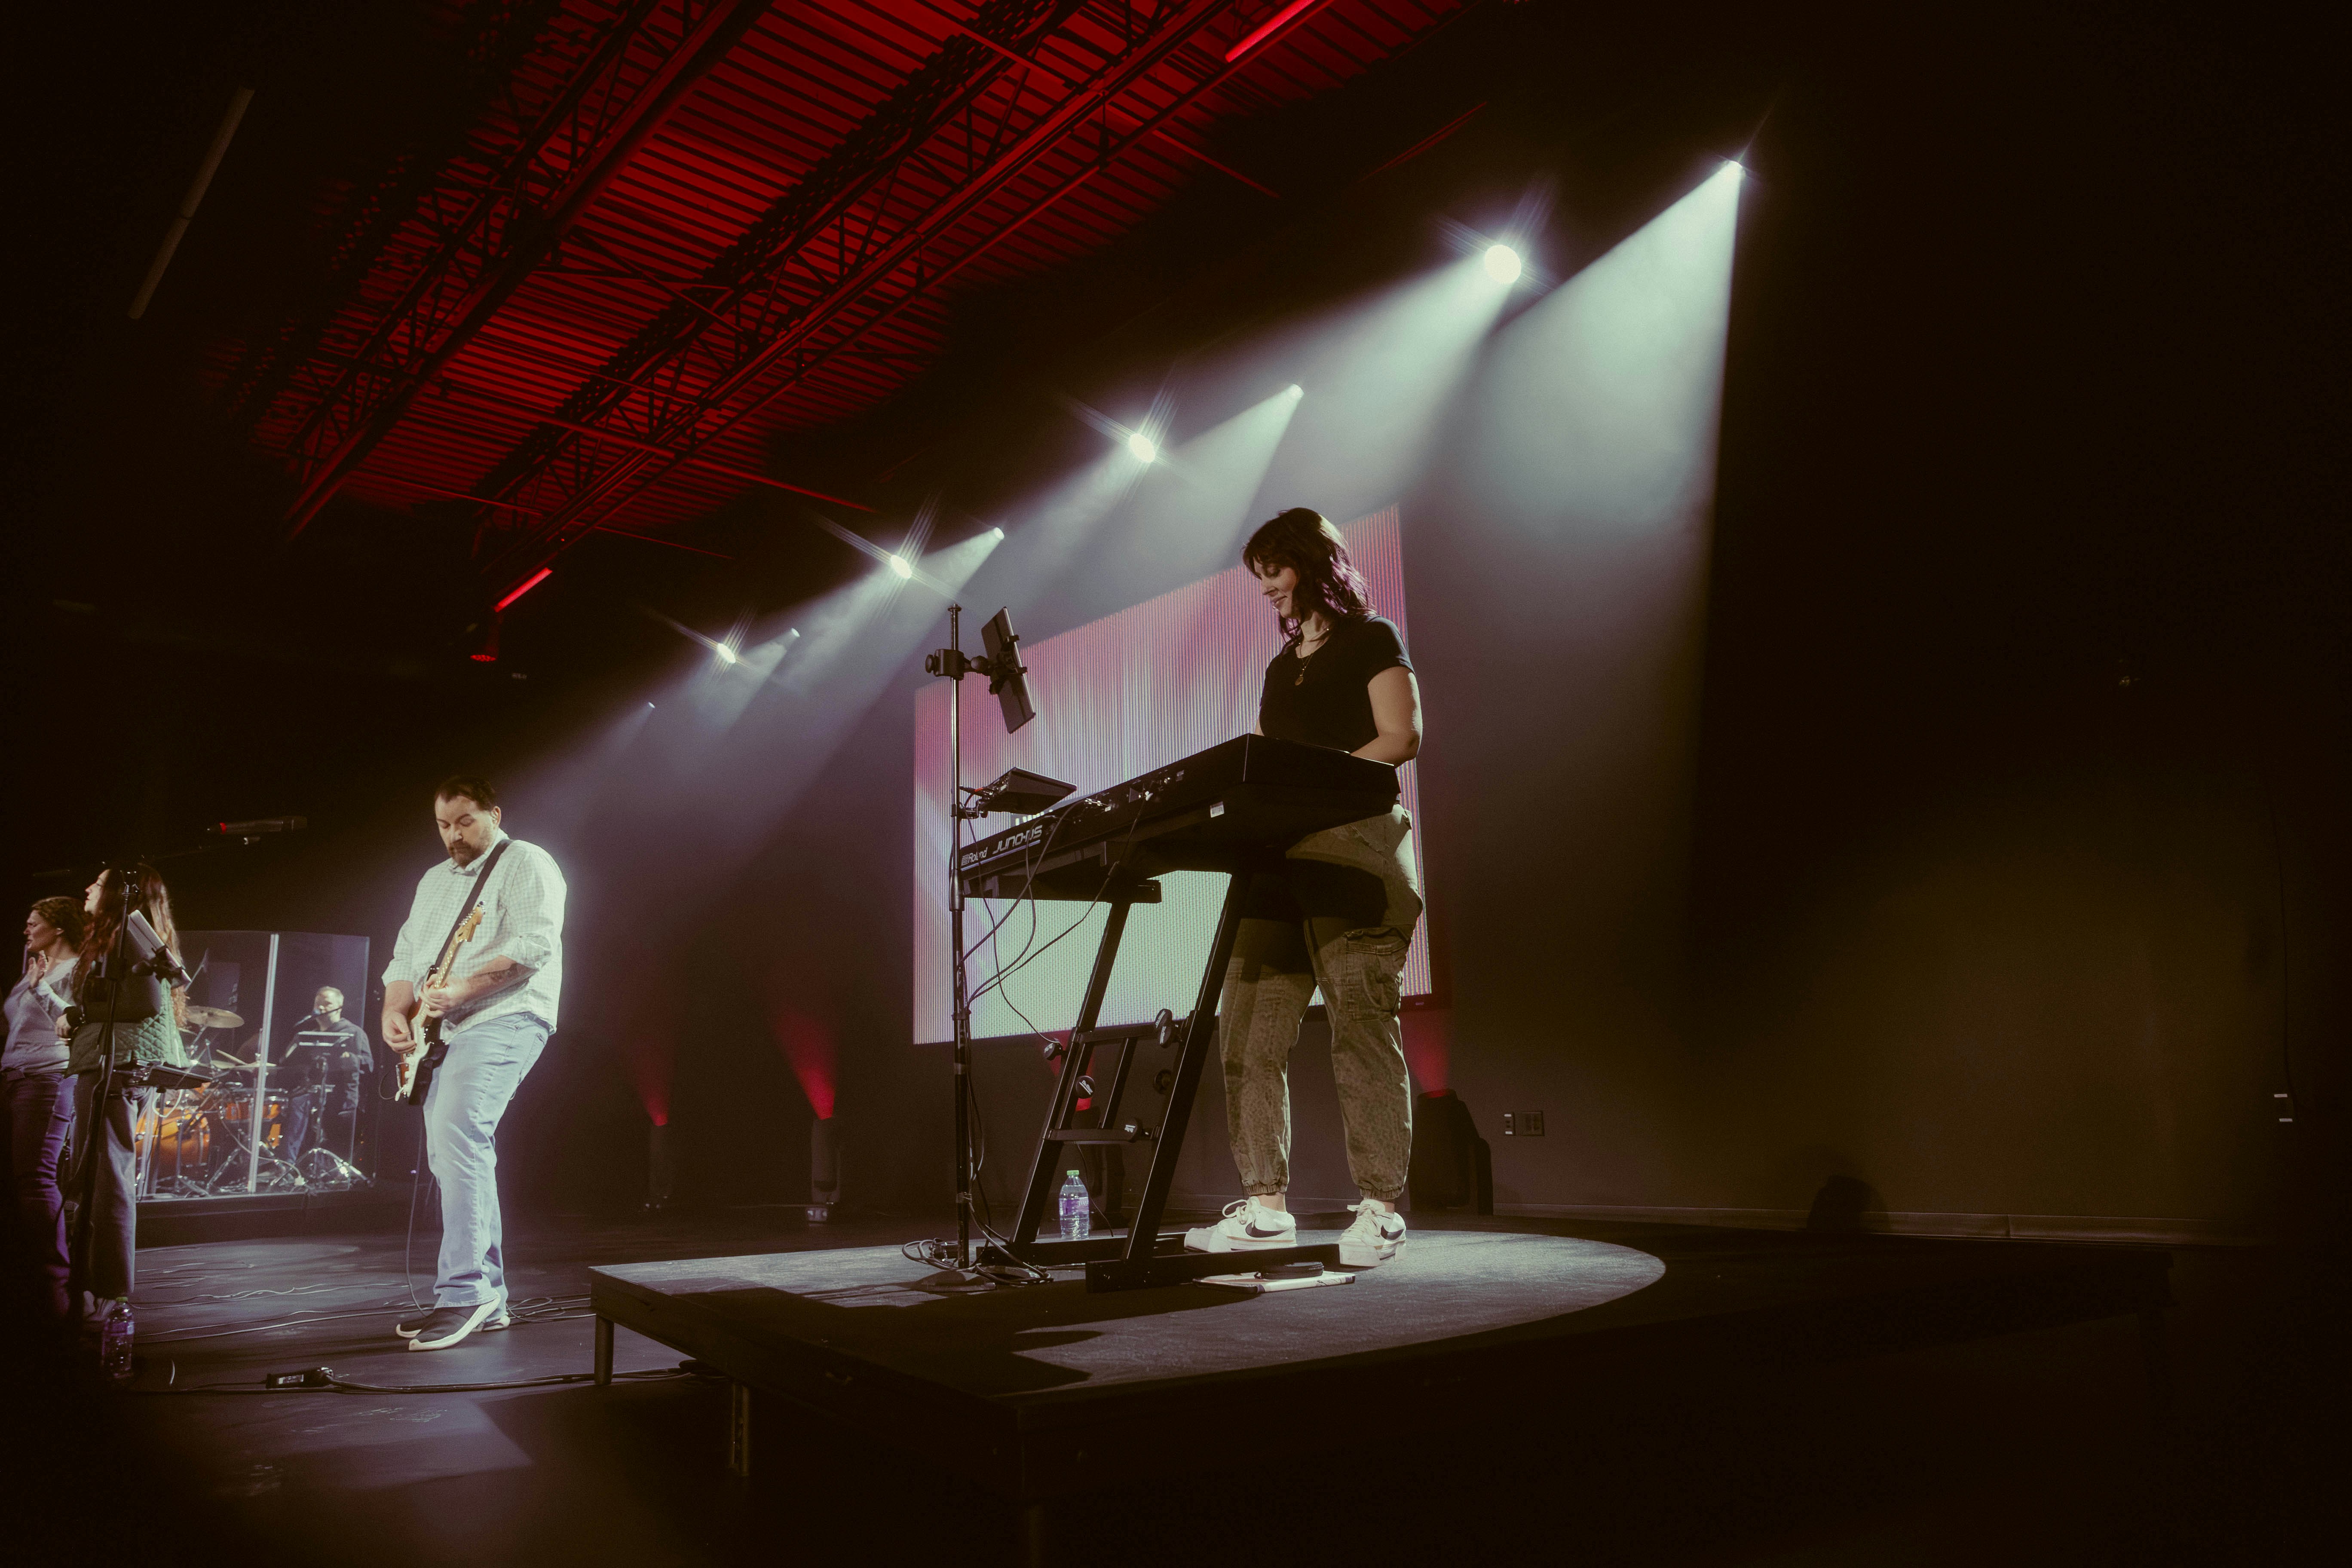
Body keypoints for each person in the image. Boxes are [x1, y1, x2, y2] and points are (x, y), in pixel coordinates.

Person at [1186, 508, 1426, 1269]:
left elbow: (1400, 735)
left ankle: (1380, 1209)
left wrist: (1317, 790)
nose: (1268, 591)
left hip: (1353, 850)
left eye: (1274, 573)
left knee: (1359, 1027)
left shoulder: (1372, 637)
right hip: (1279, 864)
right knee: (1248, 1035)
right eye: (1259, 579)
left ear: (1311, 564)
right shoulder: (1279, 665)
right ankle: (1263, 1209)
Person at [383, 774, 565, 1351]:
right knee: (451, 1148)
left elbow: (535, 945)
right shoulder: (434, 880)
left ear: (495, 813)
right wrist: (396, 1010)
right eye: (443, 825)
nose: (454, 835)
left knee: (458, 1134)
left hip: (507, 1017)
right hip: (442, 1031)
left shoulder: (527, 861)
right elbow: (406, 955)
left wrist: (461, 992)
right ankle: (490, 1298)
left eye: (465, 821)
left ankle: (464, 1292)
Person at [65, 863, 190, 1329]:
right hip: (112, 1066)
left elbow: (146, 1003)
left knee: (108, 1181)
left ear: (120, 893)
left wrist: (80, 1014)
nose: (88, 887)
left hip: (116, 1068)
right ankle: (100, 1289)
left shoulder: (128, 935)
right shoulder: (129, 934)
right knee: (99, 1179)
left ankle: (111, 1293)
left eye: (97, 883)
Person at [4, 898, 83, 1319]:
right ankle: (31, 1282)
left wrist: (41, 989)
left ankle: (56, 1290)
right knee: (21, 1181)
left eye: (33, 923)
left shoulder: (77, 971)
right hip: (16, 1078)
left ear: (57, 928)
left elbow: (73, 1021)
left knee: (37, 1179)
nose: (26, 930)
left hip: (47, 1079)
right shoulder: (34, 968)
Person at [279, 986, 371, 1170]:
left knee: (300, 1103)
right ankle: (287, 1166)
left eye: (327, 1004)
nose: (320, 1008)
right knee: (290, 1102)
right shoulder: (308, 1036)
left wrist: (349, 1059)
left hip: (341, 1096)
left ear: (339, 1006)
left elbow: (369, 1065)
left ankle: (291, 1164)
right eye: (317, 1004)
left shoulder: (353, 1032)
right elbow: (288, 1063)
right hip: (313, 1092)